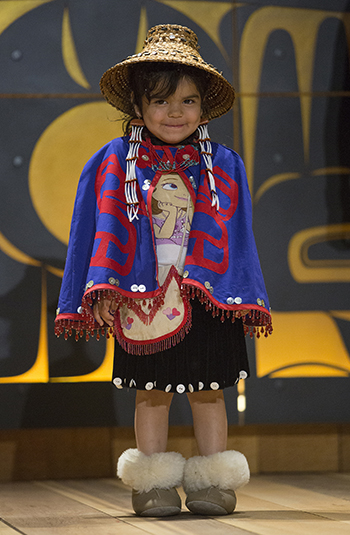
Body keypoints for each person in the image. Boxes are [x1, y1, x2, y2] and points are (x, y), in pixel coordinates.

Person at [55, 24, 272, 517]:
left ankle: (213, 481)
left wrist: (236, 291)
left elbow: (237, 239)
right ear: (136, 106)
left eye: (188, 101)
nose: (175, 113)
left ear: (204, 106)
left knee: (209, 390)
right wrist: (104, 288)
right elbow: (97, 229)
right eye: (160, 101)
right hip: (143, 297)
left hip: (205, 295)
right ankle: (151, 482)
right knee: (150, 393)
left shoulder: (223, 163)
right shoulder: (114, 162)